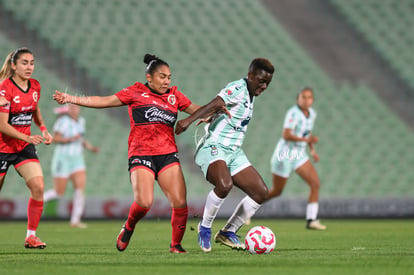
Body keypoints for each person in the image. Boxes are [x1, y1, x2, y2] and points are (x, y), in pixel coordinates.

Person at [53, 53, 200, 253]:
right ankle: (129, 226)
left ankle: (175, 245)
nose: (167, 81)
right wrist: (71, 98)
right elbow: (104, 101)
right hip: (141, 153)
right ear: (149, 77)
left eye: (169, 77)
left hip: (167, 153)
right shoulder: (135, 92)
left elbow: (196, 111)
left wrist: (218, 110)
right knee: (144, 202)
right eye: (162, 77)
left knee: (180, 203)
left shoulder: (175, 96)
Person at [175, 58, 275, 252]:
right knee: (224, 184)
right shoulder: (238, 88)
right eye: (261, 81)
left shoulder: (251, 95)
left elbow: (223, 110)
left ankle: (228, 232)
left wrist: (214, 116)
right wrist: (187, 121)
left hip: (234, 152)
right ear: (250, 76)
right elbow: (215, 103)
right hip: (214, 146)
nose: (264, 86)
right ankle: (204, 229)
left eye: (267, 83)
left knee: (260, 193)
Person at [0, 47, 53, 248]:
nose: (29, 67)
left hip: (22, 147)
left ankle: (31, 236)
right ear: (14, 65)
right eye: (24, 63)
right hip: (2, 147)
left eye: (31, 63)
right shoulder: (5, 89)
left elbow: (35, 108)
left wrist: (44, 128)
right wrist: (28, 137)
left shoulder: (35, 86)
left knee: (38, 187)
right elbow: (2, 125)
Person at [267, 87, 326, 230]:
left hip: (299, 154)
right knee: (276, 191)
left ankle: (312, 220)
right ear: (297, 99)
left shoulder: (312, 114)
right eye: (303, 97)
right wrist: (306, 141)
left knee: (315, 184)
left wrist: (312, 151)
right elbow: (286, 135)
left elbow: (308, 134)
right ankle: (248, 207)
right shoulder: (293, 113)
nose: (306, 100)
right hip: (285, 154)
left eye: (309, 97)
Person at [43, 104, 99, 228]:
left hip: (77, 158)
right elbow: (55, 139)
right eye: (72, 107)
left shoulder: (81, 121)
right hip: (63, 158)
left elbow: (81, 139)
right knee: (59, 192)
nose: (75, 109)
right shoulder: (62, 121)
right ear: (68, 109)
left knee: (80, 189)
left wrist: (90, 148)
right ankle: (37, 200)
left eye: (77, 107)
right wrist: (70, 139)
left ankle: (75, 220)